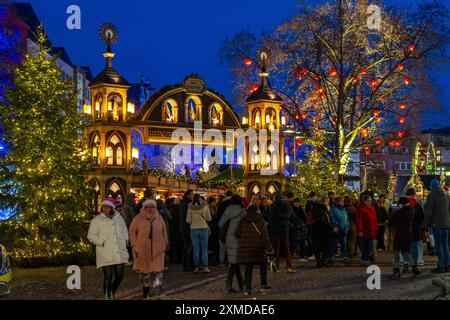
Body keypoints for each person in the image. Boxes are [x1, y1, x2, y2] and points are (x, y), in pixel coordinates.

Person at [87, 198, 129, 300]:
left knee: (119, 275)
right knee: (108, 275)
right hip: (105, 251)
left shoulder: (119, 218)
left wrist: (125, 241)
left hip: (119, 250)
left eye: (108, 207)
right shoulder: (96, 220)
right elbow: (90, 236)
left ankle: (112, 291)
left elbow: (124, 230)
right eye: (104, 207)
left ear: (112, 208)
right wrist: (102, 242)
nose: (106, 209)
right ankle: (107, 296)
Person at [129, 199, 169, 298]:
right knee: (144, 272)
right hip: (142, 249)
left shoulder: (159, 218)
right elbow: (132, 231)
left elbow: (164, 230)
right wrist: (134, 244)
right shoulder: (138, 218)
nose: (150, 209)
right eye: (148, 207)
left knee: (158, 271)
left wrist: (165, 242)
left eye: (152, 207)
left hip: (158, 249)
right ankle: (146, 292)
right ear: (144, 208)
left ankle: (156, 291)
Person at [235, 205, 274, 296]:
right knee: (263, 264)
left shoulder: (243, 220)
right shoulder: (260, 220)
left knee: (248, 268)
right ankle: (263, 284)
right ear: (257, 211)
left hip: (246, 248)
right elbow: (265, 236)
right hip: (258, 248)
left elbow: (237, 233)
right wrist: (270, 248)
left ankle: (247, 289)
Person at [388, 197, 423, 279]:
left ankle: (397, 270)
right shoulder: (411, 210)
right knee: (405, 252)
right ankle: (414, 268)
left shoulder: (404, 212)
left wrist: (395, 210)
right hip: (407, 233)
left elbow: (392, 219)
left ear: (402, 204)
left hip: (401, 233)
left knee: (397, 250)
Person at [219, 195, 246, 293]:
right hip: (238, 238)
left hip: (228, 238)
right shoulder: (242, 211)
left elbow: (220, 223)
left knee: (234, 260)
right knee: (234, 261)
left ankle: (241, 283)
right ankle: (228, 285)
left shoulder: (228, 210)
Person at [424, 180, 450, 273]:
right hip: (446, 224)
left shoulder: (432, 195)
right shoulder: (446, 194)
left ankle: (441, 266)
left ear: (431, 187)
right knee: (445, 245)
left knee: (438, 246)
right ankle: (448, 265)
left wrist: (425, 225)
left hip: (436, 224)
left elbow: (428, 212)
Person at [269, 191, 296, 272]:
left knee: (276, 249)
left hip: (275, 230)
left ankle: (276, 266)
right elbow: (292, 216)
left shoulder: (273, 206)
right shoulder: (287, 205)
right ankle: (289, 266)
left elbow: (271, 218)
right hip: (285, 229)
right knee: (286, 249)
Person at [187, 193, 212, 273]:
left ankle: (196, 268)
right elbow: (209, 218)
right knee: (204, 249)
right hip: (204, 228)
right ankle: (205, 267)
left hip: (194, 229)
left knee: (196, 249)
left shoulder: (190, 207)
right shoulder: (205, 206)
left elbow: (188, 220)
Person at [355, 195, 378, 267]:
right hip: (365, 231)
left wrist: (376, 228)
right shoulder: (361, 209)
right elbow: (359, 221)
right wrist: (360, 231)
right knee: (366, 246)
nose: (370, 202)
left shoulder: (372, 208)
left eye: (370, 200)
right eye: (368, 200)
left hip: (372, 230)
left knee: (371, 246)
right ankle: (365, 259)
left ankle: (366, 258)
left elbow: (375, 219)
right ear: (364, 201)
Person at [405, 188, 425, 268]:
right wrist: (419, 224)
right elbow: (422, 216)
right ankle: (415, 263)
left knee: (406, 247)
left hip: (406, 229)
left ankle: (406, 263)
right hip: (415, 229)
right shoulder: (418, 205)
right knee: (414, 246)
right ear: (414, 195)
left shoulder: (405, 205)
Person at [311, 202, 332, 268]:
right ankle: (322, 261)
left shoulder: (316, 211)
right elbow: (323, 222)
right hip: (322, 232)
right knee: (325, 247)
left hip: (316, 232)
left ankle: (320, 262)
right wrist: (331, 227)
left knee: (318, 248)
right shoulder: (321, 212)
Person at [329, 196, 350, 262]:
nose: (343, 202)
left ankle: (344, 256)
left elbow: (346, 218)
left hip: (344, 229)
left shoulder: (343, 209)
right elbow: (333, 219)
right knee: (334, 243)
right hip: (337, 229)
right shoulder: (333, 209)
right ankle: (331, 257)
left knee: (343, 244)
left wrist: (347, 226)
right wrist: (337, 226)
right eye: (342, 201)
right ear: (338, 202)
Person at [217, 191, 233, 266]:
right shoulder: (233, 204)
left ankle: (222, 261)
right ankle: (230, 261)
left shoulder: (221, 204)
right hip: (231, 226)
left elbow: (218, 216)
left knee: (222, 244)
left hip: (223, 226)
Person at [180, 190, 194, 271]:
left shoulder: (184, 203)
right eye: (192, 194)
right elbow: (187, 217)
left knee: (186, 246)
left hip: (184, 227)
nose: (193, 196)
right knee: (188, 246)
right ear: (188, 195)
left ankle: (186, 265)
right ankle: (187, 265)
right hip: (187, 227)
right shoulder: (188, 204)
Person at [290, 197, 308, 262]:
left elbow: (305, 218)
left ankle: (302, 256)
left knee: (302, 243)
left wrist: (305, 225)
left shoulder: (301, 209)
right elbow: (290, 218)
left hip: (302, 228)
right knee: (295, 243)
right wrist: (292, 225)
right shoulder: (291, 210)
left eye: (298, 202)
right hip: (295, 228)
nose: (297, 203)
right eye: (295, 202)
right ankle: (293, 255)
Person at [305, 192, 318, 259]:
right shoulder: (316, 202)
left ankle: (312, 252)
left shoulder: (308, 202)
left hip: (311, 222)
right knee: (312, 238)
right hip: (313, 222)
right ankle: (313, 253)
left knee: (311, 238)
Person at [344, 195, 357, 260]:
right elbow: (355, 216)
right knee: (352, 239)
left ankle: (345, 253)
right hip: (352, 224)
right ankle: (351, 253)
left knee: (345, 239)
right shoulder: (353, 207)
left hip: (344, 225)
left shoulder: (343, 207)